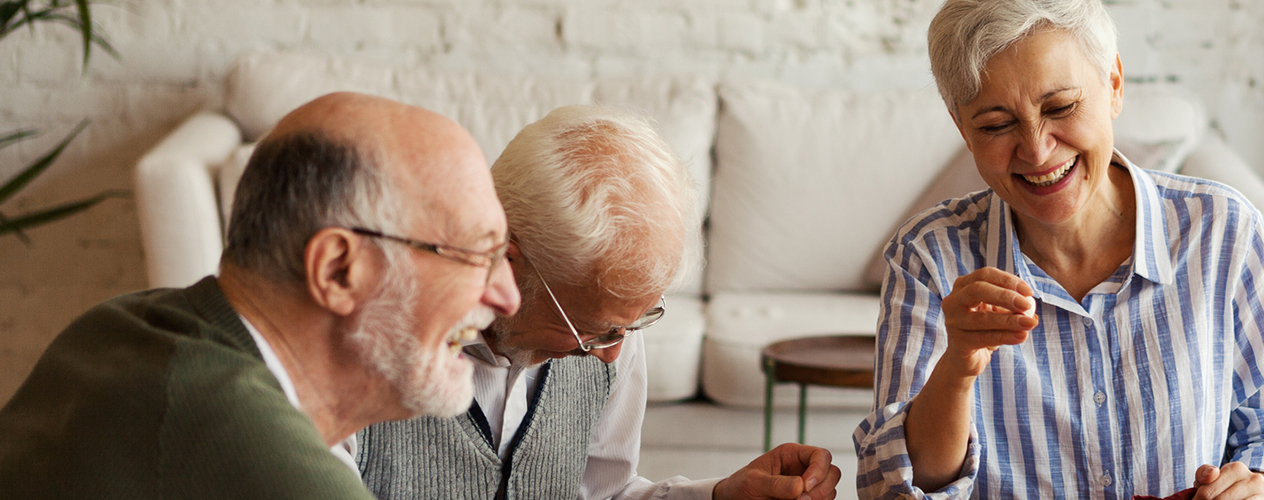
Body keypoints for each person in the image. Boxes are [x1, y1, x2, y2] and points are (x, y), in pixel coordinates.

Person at [853, 1, 1264, 499]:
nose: (1037, 151)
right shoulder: (927, 258)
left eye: (1060, 107)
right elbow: (892, 490)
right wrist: (956, 369)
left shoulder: (1221, 230)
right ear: (962, 128)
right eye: (996, 125)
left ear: (1114, 85)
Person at [0, 92, 521, 498]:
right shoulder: (249, 451)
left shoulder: (124, 324)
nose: (508, 295)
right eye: (478, 255)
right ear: (338, 270)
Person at [353, 105, 842, 500]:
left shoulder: (614, 329)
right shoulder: (364, 341)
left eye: (632, 324)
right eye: (592, 328)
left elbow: (604, 492)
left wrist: (718, 497)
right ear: (508, 259)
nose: (612, 352)